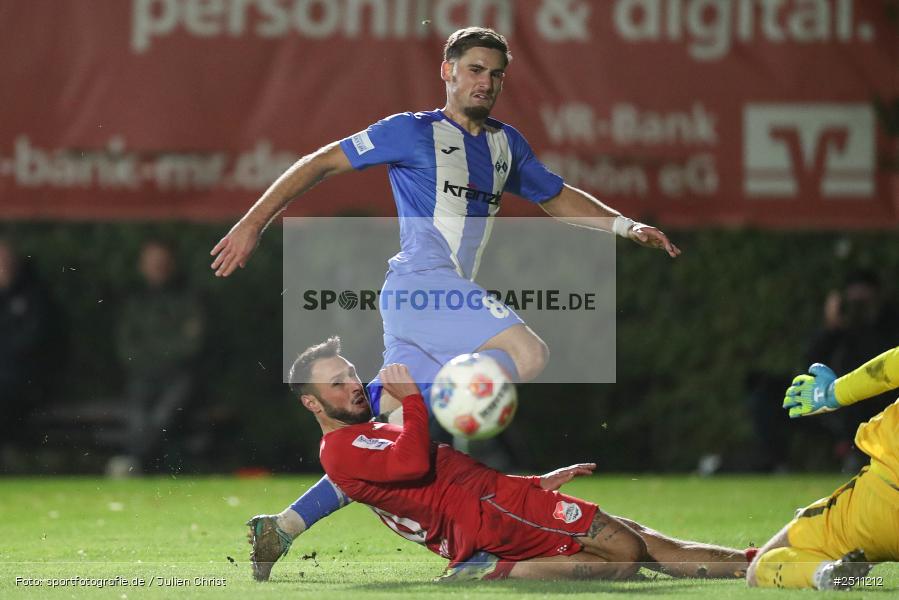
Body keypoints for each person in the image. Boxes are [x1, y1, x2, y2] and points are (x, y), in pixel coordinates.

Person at [214, 26, 680, 557]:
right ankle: (451, 409)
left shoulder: (506, 145)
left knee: (388, 430)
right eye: (475, 69)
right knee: (527, 354)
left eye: (496, 74)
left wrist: (624, 226)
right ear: (448, 72)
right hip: (423, 286)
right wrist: (253, 223)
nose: (486, 82)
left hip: (429, 299)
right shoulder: (411, 132)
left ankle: (285, 527)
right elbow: (321, 162)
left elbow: (554, 195)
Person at [247, 336, 751, 582]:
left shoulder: (364, 434)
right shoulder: (342, 449)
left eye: (352, 373)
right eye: (337, 383)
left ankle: (756, 566)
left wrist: (534, 481)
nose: (355, 385)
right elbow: (412, 467)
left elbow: (443, 473)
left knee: (636, 537)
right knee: (626, 553)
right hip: (488, 515)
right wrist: (416, 400)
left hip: (499, 500)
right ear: (311, 403)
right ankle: (502, 569)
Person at [747, 346, 899, 590]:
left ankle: (825, 574)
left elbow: (891, 366)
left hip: (879, 504)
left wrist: (831, 393)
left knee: (761, 567)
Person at [114, 240, 206, 473]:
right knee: (138, 419)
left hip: (178, 376)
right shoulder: (134, 302)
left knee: (163, 418)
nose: (158, 268)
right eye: (152, 262)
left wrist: (155, 350)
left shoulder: (188, 298)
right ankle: (140, 466)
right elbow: (126, 347)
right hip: (142, 377)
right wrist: (162, 350)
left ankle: (132, 463)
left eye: (162, 262)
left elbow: (191, 344)